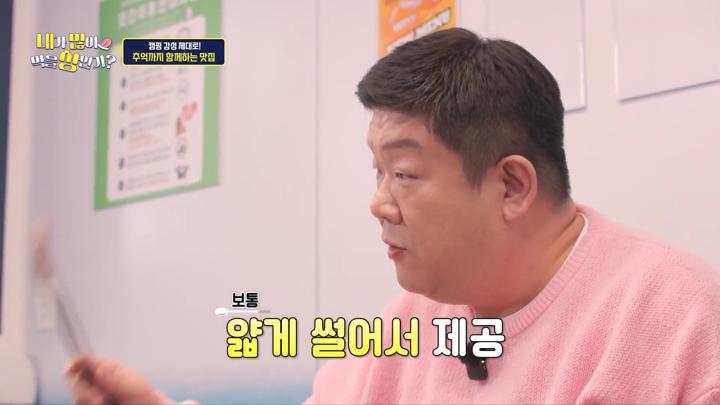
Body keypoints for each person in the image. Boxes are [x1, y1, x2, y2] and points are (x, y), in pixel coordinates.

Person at [66, 28, 720, 404]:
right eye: (376, 171)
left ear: (512, 185)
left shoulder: (675, 319)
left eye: (403, 173)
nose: (378, 202)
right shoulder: (409, 324)